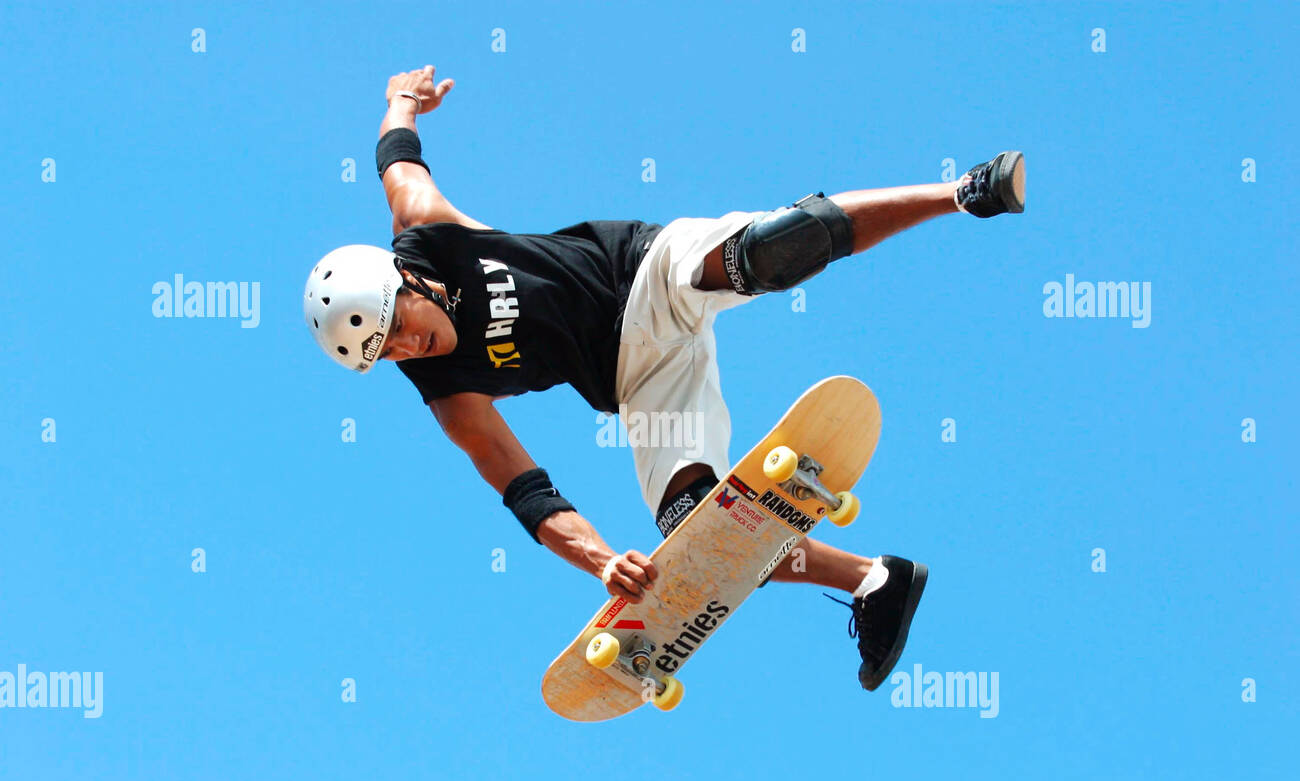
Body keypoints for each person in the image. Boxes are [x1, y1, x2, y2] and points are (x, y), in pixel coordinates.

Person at [303, 66, 1026, 691]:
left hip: (644, 274)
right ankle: (876, 577)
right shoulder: (448, 396)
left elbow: (397, 157)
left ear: (404, 278)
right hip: (641, 379)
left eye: (398, 324)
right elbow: (526, 492)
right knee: (706, 535)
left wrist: (403, 97)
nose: (408, 346)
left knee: (764, 252)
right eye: (388, 355)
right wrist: (599, 561)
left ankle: (962, 192)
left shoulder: (425, 226)